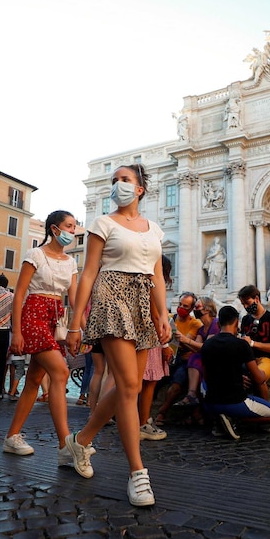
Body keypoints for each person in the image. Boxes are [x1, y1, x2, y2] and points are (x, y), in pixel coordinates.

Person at [66, 163, 172, 507]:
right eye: (114, 181)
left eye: (124, 180)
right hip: (111, 296)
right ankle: (137, 473)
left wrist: (162, 313)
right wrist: (75, 322)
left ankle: (80, 441)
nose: (118, 185)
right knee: (128, 385)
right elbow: (88, 273)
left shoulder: (154, 229)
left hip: (143, 301)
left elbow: (156, 275)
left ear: (140, 188)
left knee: (132, 386)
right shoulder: (103, 223)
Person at [3, 210, 79, 459]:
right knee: (61, 371)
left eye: (74, 226)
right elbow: (19, 293)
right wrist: (16, 331)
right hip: (34, 313)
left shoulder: (71, 262)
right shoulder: (35, 254)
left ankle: (12, 436)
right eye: (69, 226)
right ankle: (65, 444)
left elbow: (75, 299)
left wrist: (79, 329)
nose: (73, 231)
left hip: (55, 317)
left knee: (35, 380)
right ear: (54, 229)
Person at [202, 306, 270, 440]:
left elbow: (206, 377)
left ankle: (219, 420)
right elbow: (259, 378)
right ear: (237, 323)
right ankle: (233, 420)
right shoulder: (242, 345)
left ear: (218, 324)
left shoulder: (207, 344)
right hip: (235, 401)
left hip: (211, 403)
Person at [139, 255, 174, 441]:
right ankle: (143, 423)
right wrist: (166, 345)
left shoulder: (141, 282)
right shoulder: (153, 285)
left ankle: (135, 420)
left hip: (140, 337)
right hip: (151, 339)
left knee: (138, 383)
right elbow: (155, 316)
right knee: (149, 383)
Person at [154, 292, 202, 425]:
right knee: (153, 381)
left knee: (176, 385)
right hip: (167, 357)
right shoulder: (170, 318)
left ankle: (162, 413)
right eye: (180, 304)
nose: (181, 308)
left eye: (185, 306)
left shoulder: (195, 324)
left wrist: (177, 338)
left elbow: (188, 341)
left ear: (191, 309)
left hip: (184, 360)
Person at [237, 285, 270, 399]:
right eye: (243, 304)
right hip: (248, 360)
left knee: (258, 377)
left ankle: (266, 411)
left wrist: (252, 343)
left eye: (247, 302)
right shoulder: (246, 319)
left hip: (268, 360)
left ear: (256, 299)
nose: (246, 307)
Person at [174, 296, 220, 408]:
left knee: (195, 358)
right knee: (194, 356)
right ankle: (192, 395)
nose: (195, 309)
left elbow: (207, 347)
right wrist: (181, 340)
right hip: (205, 359)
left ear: (207, 309)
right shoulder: (201, 328)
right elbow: (196, 348)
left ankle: (191, 394)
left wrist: (186, 340)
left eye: (197, 306)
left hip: (216, 359)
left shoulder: (215, 324)